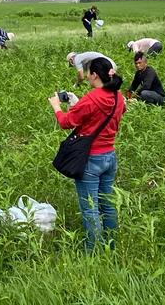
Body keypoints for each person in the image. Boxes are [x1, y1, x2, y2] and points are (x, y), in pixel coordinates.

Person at [48, 57, 125, 252]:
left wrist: (57, 106)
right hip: (109, 156)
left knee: (90, 208)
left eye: (89, 73)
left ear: (94, 75)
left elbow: (66, 122)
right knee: (107, 205)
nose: (88, 77)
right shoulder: (118, 96)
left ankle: (93, 251)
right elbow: (101, 118)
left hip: (91, 159)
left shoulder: (92, 98)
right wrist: (76, 104)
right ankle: (111, 245)